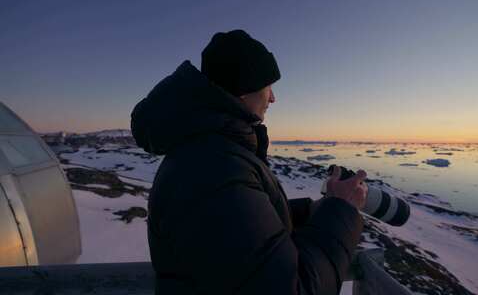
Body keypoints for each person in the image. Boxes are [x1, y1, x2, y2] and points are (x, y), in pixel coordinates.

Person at [130, 29, 368, 295]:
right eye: (268, 85)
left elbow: (239, 229)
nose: (273, 97)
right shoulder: (214, 166)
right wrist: (339, 210)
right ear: (244, 89)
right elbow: (293, 288)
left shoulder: (208, 153)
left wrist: (312, 211)